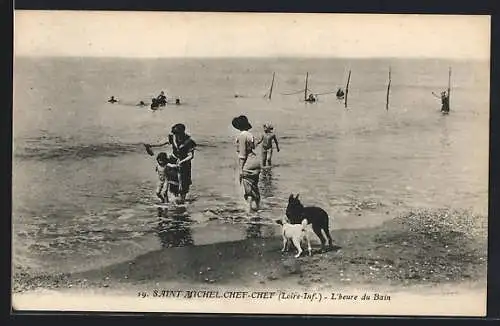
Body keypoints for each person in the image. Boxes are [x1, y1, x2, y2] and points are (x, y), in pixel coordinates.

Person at [147, 123, 196, 203]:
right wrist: (152, 146)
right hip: (173, 159)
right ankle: (173, 199)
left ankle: (182, 201)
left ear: (182, 133)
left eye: (178, 134)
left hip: (184, 163)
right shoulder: (172, 138)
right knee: (171, 180)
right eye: (175, 134)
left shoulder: (189, 142)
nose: (176, 136)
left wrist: (181, 162)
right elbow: (163, 143)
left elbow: (191, 156)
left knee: (183, 182)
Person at [232, 115, 261, 213]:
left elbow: (242, 154)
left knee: (248, 191)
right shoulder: (250, 135)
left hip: (248, 163)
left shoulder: (242, 136)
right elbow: (253, 147)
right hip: (255, 162)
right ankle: (257, 210)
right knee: (254, 187)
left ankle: (248, 214)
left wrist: (240, 170)